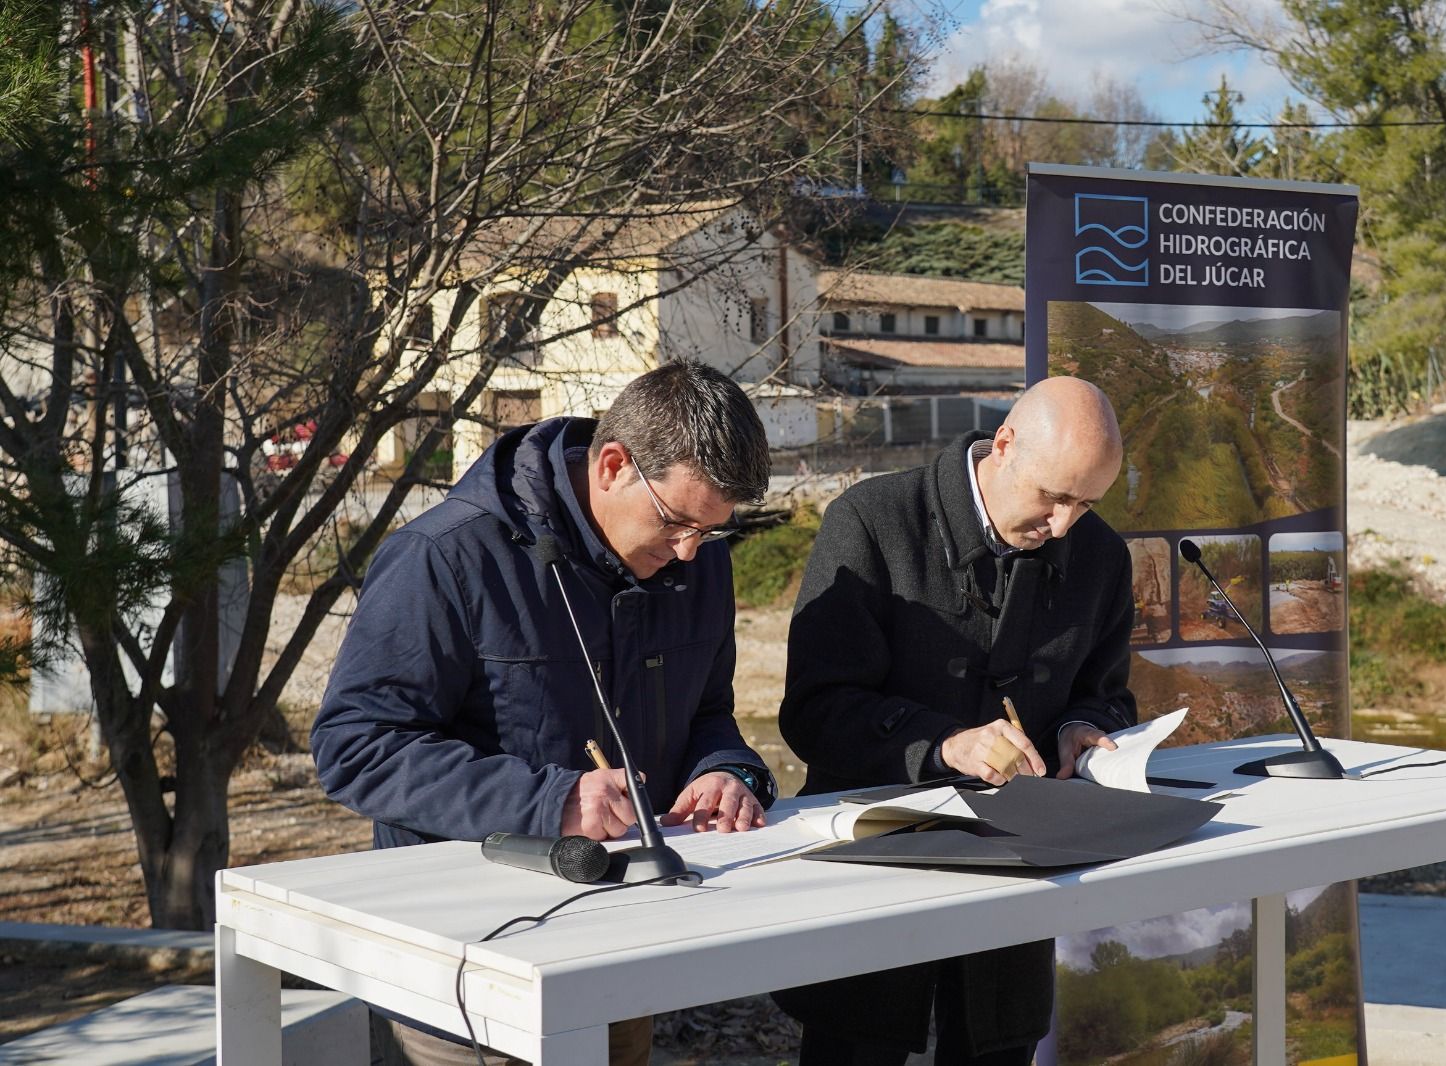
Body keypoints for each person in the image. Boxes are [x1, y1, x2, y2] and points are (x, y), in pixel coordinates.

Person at [312, 361, 779, 1066]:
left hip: (620, 942)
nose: (689, 553)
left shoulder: (696, 562)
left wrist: (725, 769)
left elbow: (708, 710)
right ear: (614, 465)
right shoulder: (446, 556)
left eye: (711, 532)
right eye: (677, 522)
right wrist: (549, 801)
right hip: (467, 961)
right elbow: (355, 748)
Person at [774, 376, 1136, 1066]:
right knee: (858, 1045)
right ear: (1003, 446)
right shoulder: (873, 520)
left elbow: (1108, 694)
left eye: (1085, 504)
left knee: (997, 1044)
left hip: (1019, 856)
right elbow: (814, 712)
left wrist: (1080, 729)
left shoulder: (1099, 556)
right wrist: (943, 743)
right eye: (1054, 497)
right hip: (877, 849)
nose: (1062, 525)